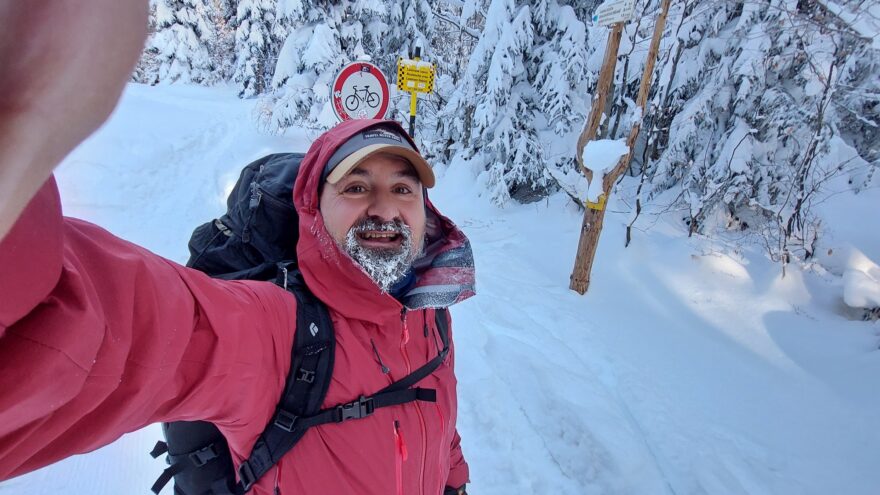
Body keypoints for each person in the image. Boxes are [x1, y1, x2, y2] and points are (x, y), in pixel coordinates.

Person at [0, 1, 473, 494]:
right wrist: (15, 141)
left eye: (403, 189)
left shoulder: (429, 308)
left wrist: (455, 484)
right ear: (313, 209)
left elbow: (441, 419)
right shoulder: (274, 332)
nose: (384, 208)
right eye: (355, 187)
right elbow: (103, 328)